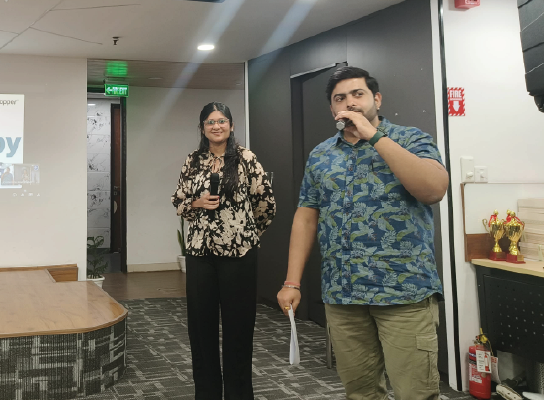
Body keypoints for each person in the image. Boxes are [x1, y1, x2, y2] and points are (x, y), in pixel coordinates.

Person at [277, 67, 449, 400]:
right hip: (343, 295)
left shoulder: (410, 139)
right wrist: (292, 282)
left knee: (416, 394)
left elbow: (433, 189)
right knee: (360, 393)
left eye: (358, 94)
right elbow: (307, 216)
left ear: (376, 99)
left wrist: (374, 136)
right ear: (332, 108)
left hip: (404, 293)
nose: (349, 102)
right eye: (339, 98)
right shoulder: (321, 155)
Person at [172, 102, 276, 400]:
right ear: (202, 128)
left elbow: (266, 205)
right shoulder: (193, 160)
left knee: (238, 330)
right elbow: (178, 201)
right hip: (200, 255)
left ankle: (239, 394)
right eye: (210, 122)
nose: (216, 126)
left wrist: (245, 233)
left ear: (231, 125)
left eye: (221, 121)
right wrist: (197, 203)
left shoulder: (246, 158)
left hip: (239, 255)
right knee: (200, 330)